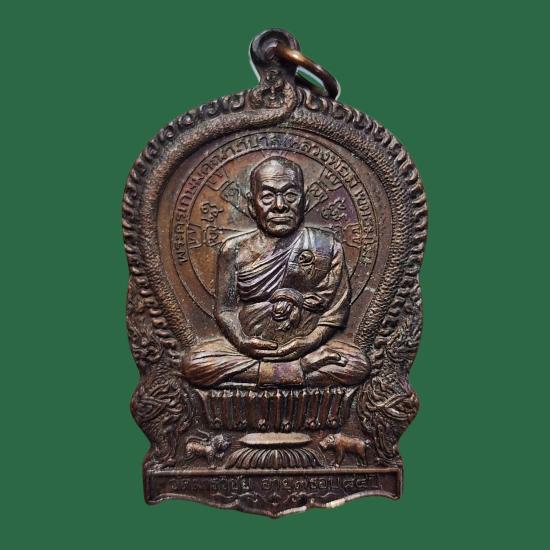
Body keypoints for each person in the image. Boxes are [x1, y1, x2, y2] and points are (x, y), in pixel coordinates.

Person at [182, 157, 369, 387]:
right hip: (249, 350)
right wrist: (241, 341)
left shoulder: (327, 246)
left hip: (309, 346)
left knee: (357, 364)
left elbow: (334, 313)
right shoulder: (234, 250)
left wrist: (309, 342)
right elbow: (225, 309)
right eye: (268, 197)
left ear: (304, 201)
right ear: (252, 205)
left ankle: (270, 372)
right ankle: (301, 369)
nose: (280, 205)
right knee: (195, 364)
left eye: (290, 195)